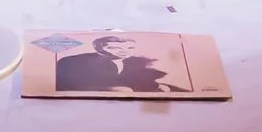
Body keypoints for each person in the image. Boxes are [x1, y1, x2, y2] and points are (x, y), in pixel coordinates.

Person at [52, 34, 185, 95]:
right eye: (114, 48)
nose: (123, 51)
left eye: (130, 48)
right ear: (98, 48)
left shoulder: (135, 62)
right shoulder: (75, 62)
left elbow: (142, 80)